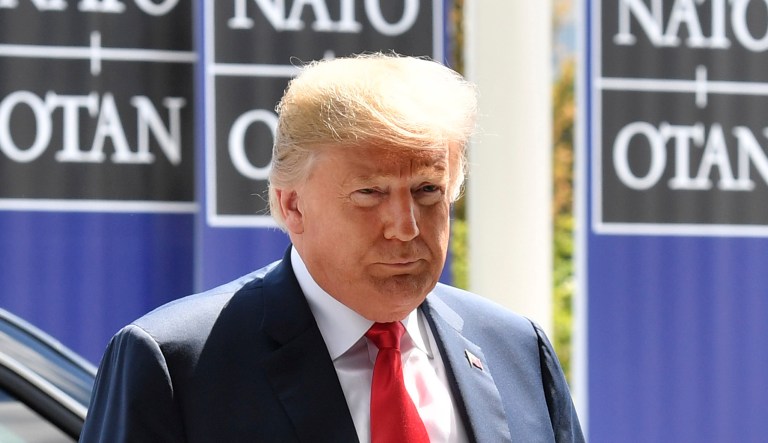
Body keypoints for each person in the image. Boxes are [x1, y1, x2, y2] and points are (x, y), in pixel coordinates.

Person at [80, 52, 584, 443]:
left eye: (428, 190)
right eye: (370, 193)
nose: (405, 227)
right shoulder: (178, 364)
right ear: (292, 205)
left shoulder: (515, 349)